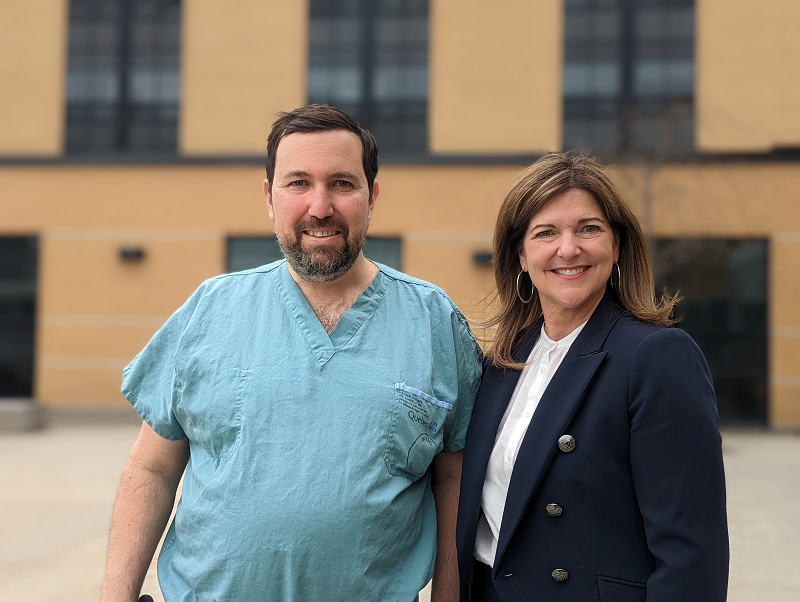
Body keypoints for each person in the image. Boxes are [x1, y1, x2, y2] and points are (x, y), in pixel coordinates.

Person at [100, 104, 482, 602]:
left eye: (342, 184)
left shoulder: (434, 322)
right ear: (269, 196)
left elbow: (453, 478)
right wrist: (114, 594)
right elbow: (152, 467)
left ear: (373, 196)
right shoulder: (211, 310)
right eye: (298, 183)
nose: (319, 207)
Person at [455, 152, 729, 601]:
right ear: (521, 256)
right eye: (546, 233)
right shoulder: (503, 362)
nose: (569, 249)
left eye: (589, 228)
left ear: (617, 245)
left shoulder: (657, 357)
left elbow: (691, 554)